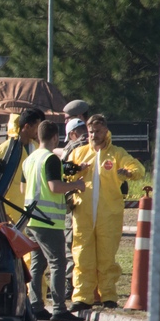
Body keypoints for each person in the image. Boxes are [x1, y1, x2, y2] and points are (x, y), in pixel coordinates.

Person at [68, 114, 145, 311]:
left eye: (98, 131)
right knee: (82, 256)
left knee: (106, 258)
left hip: (109, 215)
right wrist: (77, 169)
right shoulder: (79, 153)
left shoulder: (117, 154)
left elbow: (138, 169)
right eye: (91, 131)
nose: (94, 135)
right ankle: (82, 297)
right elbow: (64, 173)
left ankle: (108, 296)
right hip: (83, 215)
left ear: (106, 131)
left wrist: (128, 173)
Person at [21, 120, 86, 321]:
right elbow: (54, 187)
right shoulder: (50, 159)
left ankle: (36, 306)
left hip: (31, 219)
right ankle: (59, 309)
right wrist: (77, 184)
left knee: (37, 265)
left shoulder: (29, 159)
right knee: (57, 262)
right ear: (55, 137)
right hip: (48, 221)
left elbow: (23, 189)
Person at [0, 107, 46, 223]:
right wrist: (2, 214)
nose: (39, 131)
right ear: (27, 126)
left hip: (31, 211)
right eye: (37, 126)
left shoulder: (36, 148)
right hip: (10, 215)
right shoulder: (3, 151)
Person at [58, 118, 89, 293]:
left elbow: (62, 170)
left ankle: (70, 285)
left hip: (74, 201)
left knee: (71, 243)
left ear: (72, 134)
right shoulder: (97, 144)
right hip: (94, 202)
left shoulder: (72, 148)